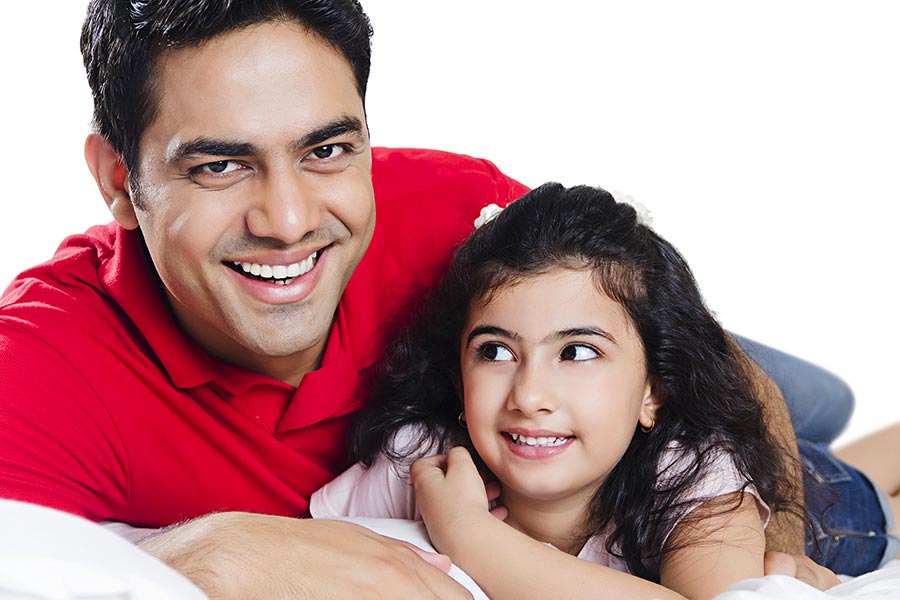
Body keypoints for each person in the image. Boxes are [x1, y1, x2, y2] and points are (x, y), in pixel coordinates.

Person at [0, 0, 849, 597]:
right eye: (219, 165)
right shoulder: (44, 364)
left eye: (327, 149)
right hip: (534, 437)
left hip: (597, 415)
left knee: (796, 416)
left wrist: (773, 547)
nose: (289, 221)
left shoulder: (456, 215)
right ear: (120, 181)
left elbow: (709, 376)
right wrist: (194, 556)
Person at [312, 183, 900, 598]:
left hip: (823, 508)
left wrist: (468, 534)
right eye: (494, 351)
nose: (529, 395)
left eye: (577, 352)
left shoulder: (692, 471)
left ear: (654, 392)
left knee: (868, 493)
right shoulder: (421, 462)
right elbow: (295, 557)